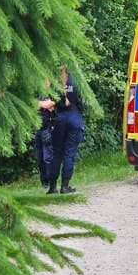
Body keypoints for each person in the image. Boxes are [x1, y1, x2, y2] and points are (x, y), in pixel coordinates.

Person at [47, 65, 85, 194]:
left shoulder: (53, 82)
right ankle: (65, 186)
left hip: (59, 118)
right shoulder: (75, 80)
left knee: (56, 153)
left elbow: (51, 101)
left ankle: (52, 187)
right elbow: (81, 100)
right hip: (73, 118)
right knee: (69, 154)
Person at [35, 85, 57, 192]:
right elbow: (31, 104)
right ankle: (44, 182)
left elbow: (52, 103)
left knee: (48, 157)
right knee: (39, 157)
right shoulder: (37, 90)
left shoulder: (53, 90)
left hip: (49, 128)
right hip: (37, 127)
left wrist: (41, 104)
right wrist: (42, 105)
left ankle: (52, 184)